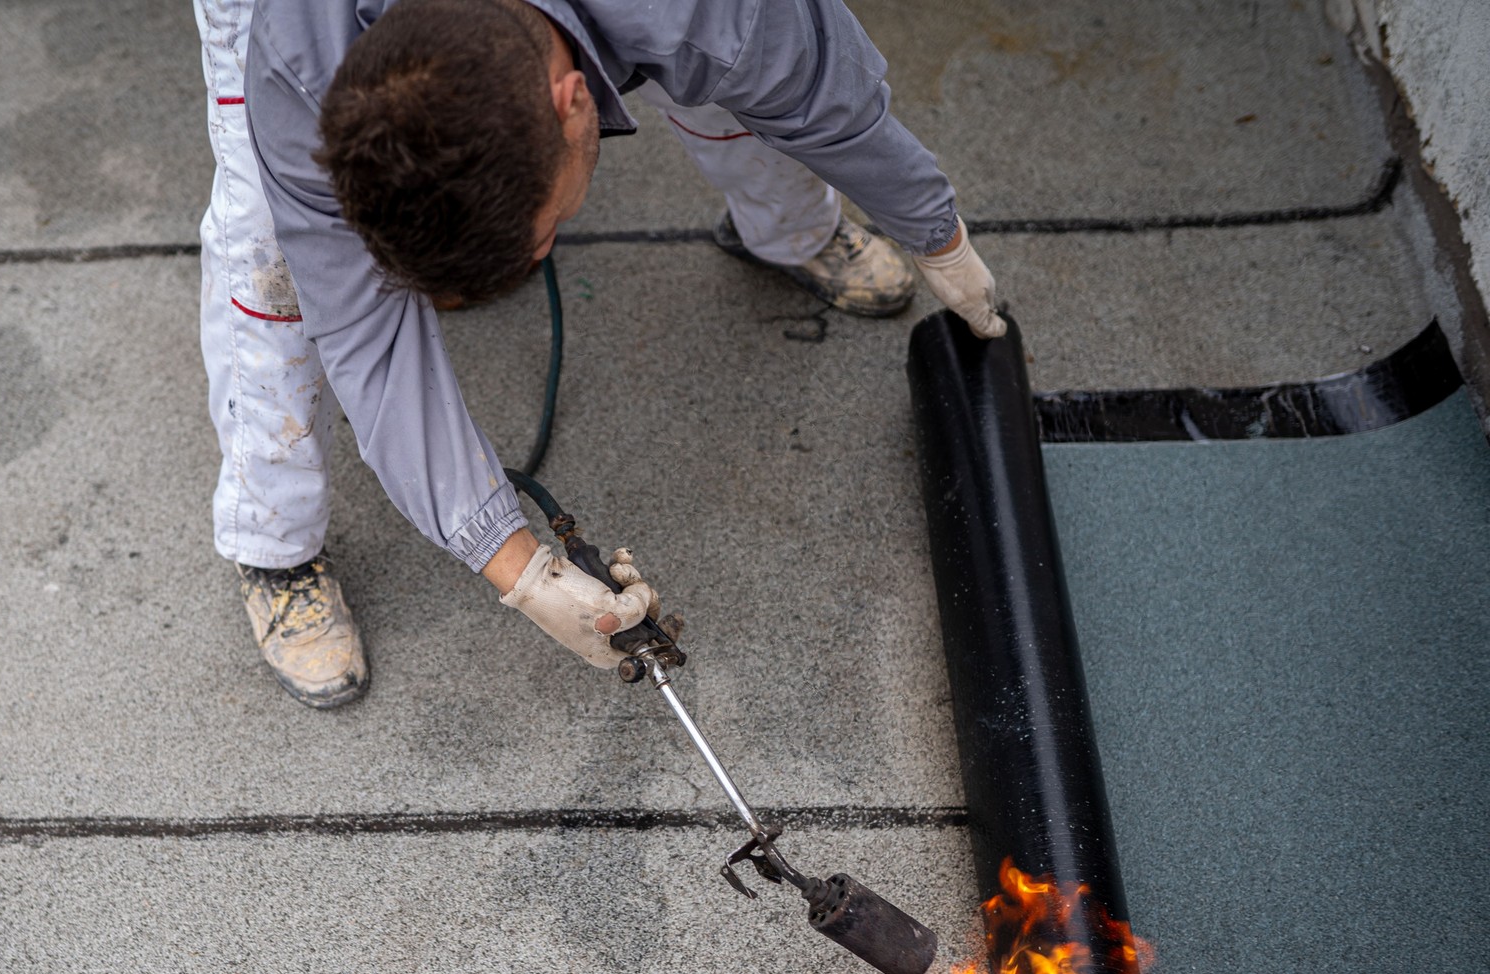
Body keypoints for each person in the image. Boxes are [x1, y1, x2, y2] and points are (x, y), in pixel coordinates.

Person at [193, 0, 1004, 708]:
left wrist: (936, 231)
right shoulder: (298, 69)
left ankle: (793, 229)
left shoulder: (707, 10)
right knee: (270, 261)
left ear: (574, 101)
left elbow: (819, 85)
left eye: (541, 239)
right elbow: (364, 331)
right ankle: (275, 546)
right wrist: (515, 567)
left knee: (734, 65)